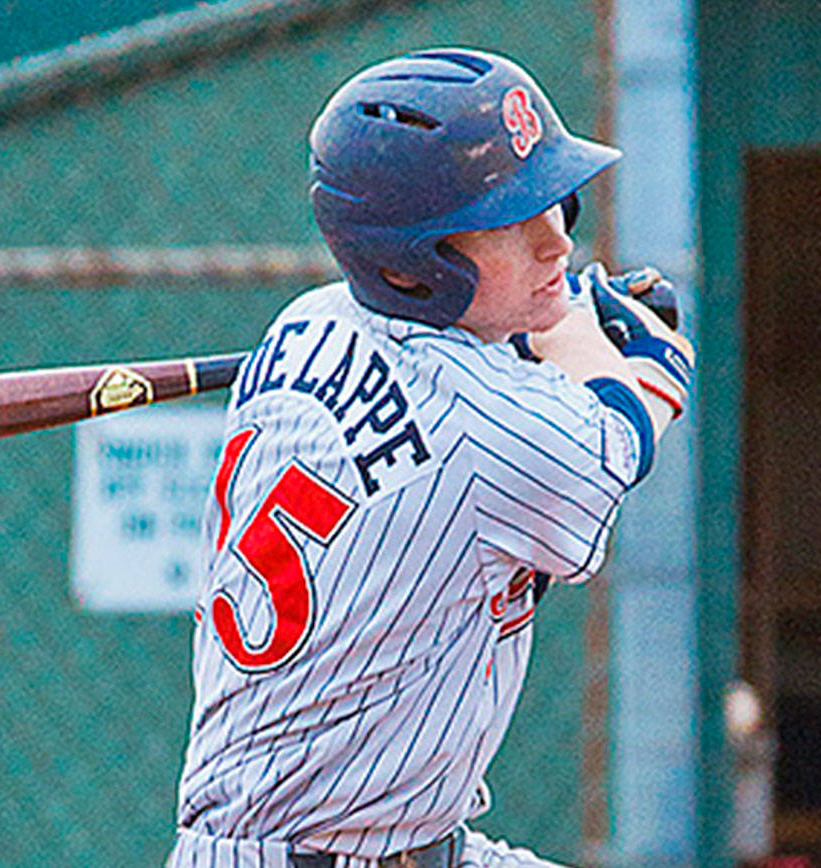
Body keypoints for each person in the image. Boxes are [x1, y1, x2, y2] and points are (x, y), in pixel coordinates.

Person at [166, 47, 695, 868]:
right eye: (512, 219)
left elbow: (488, 377)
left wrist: (557, 322)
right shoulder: (491, 431)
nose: (556, 242)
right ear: (411, 268)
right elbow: (616, 434)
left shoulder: (311, 321)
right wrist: (644, 358)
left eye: (555, 202)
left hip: (366, 836)